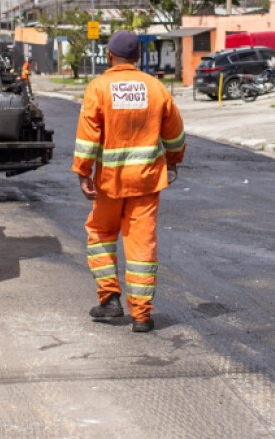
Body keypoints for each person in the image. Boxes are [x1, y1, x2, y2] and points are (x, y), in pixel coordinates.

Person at [73, 30, 186, 333]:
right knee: (141, 245)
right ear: (138, 58)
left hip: (109, 182)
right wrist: (173, 161)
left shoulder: (99, 88)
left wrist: (83, 172)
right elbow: (175, 134)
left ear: (109, 56)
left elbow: (88, 137)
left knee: (100, 233)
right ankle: (142, 316)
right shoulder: (156, 88)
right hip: (146, 182)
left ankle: (109, 299)